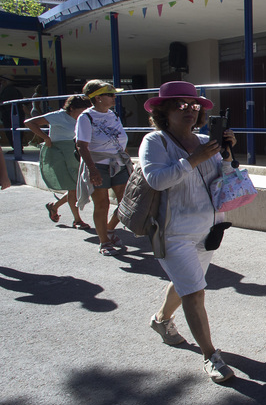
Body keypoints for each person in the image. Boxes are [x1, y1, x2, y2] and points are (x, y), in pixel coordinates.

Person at [140, 81, 238, 383]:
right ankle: (211, 355)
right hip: (174, 233)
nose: (190, 110)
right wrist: (192, 160)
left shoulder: (205, 140)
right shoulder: (156, 141)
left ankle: (162, 320)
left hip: (208, 230)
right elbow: (156, 180)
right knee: (195, 292)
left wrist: (227, 155)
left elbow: (225, 179)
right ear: (163, 112)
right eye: (180, 105)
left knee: (186, 283)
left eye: (194, 105)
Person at [76, 79, 130, 256]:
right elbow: (82, 145)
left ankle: (109, 229)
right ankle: (104, 241)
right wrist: (92, 170)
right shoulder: (86, 117)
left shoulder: (113, 115)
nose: (114, 98)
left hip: (118, 163)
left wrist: (127, 159)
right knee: (102, 204)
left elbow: (121, 140)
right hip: (98, 164)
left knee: (126, 201)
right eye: (110, 94)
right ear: (97, 98)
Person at [24, 95, 92, 228]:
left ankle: (54, 206)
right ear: (72, 108)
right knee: (73, 188)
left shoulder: (83, 118)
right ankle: (77, 220)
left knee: (79, 186)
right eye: (81, 110)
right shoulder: (58, 116)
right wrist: (46, 138)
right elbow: (29, 122)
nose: (84, 113)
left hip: (78, 153)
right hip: (62, 155)